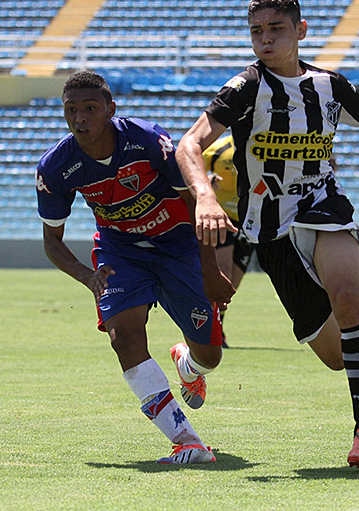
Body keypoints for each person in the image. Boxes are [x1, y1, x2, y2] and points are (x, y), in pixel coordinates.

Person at [174, 0, 359, 470]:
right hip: (268, 230)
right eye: (256, 31)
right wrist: (206, 198)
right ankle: (189, 361)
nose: (265, 39)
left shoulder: (331, 86)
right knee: (335, 356)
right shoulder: (245, 88)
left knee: (350, 300)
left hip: (323, 205)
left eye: (275, 29)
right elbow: (189, 145)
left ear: (301, 31)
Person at [36, 71, 235, 464]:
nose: (80, 119)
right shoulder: (56, 167)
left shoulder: (148, 140)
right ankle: (186, 440)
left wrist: (210, 269)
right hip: (121, 252)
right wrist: (88, 277)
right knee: (123, 338)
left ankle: (188, 364)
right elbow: (52, 244)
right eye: (70, 110)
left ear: (111, 109)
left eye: (90, 108)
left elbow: (196, 201)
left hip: (179, 247)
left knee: (210, 355)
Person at [202, 135, 256, 348]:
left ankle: (217, 325)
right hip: (222, 218)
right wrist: (207, 183)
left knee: (233, 282)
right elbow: (192, 175)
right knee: (222, 272)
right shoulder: (216, 149)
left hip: (250, 221)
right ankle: (213, 332)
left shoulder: (263, 145)